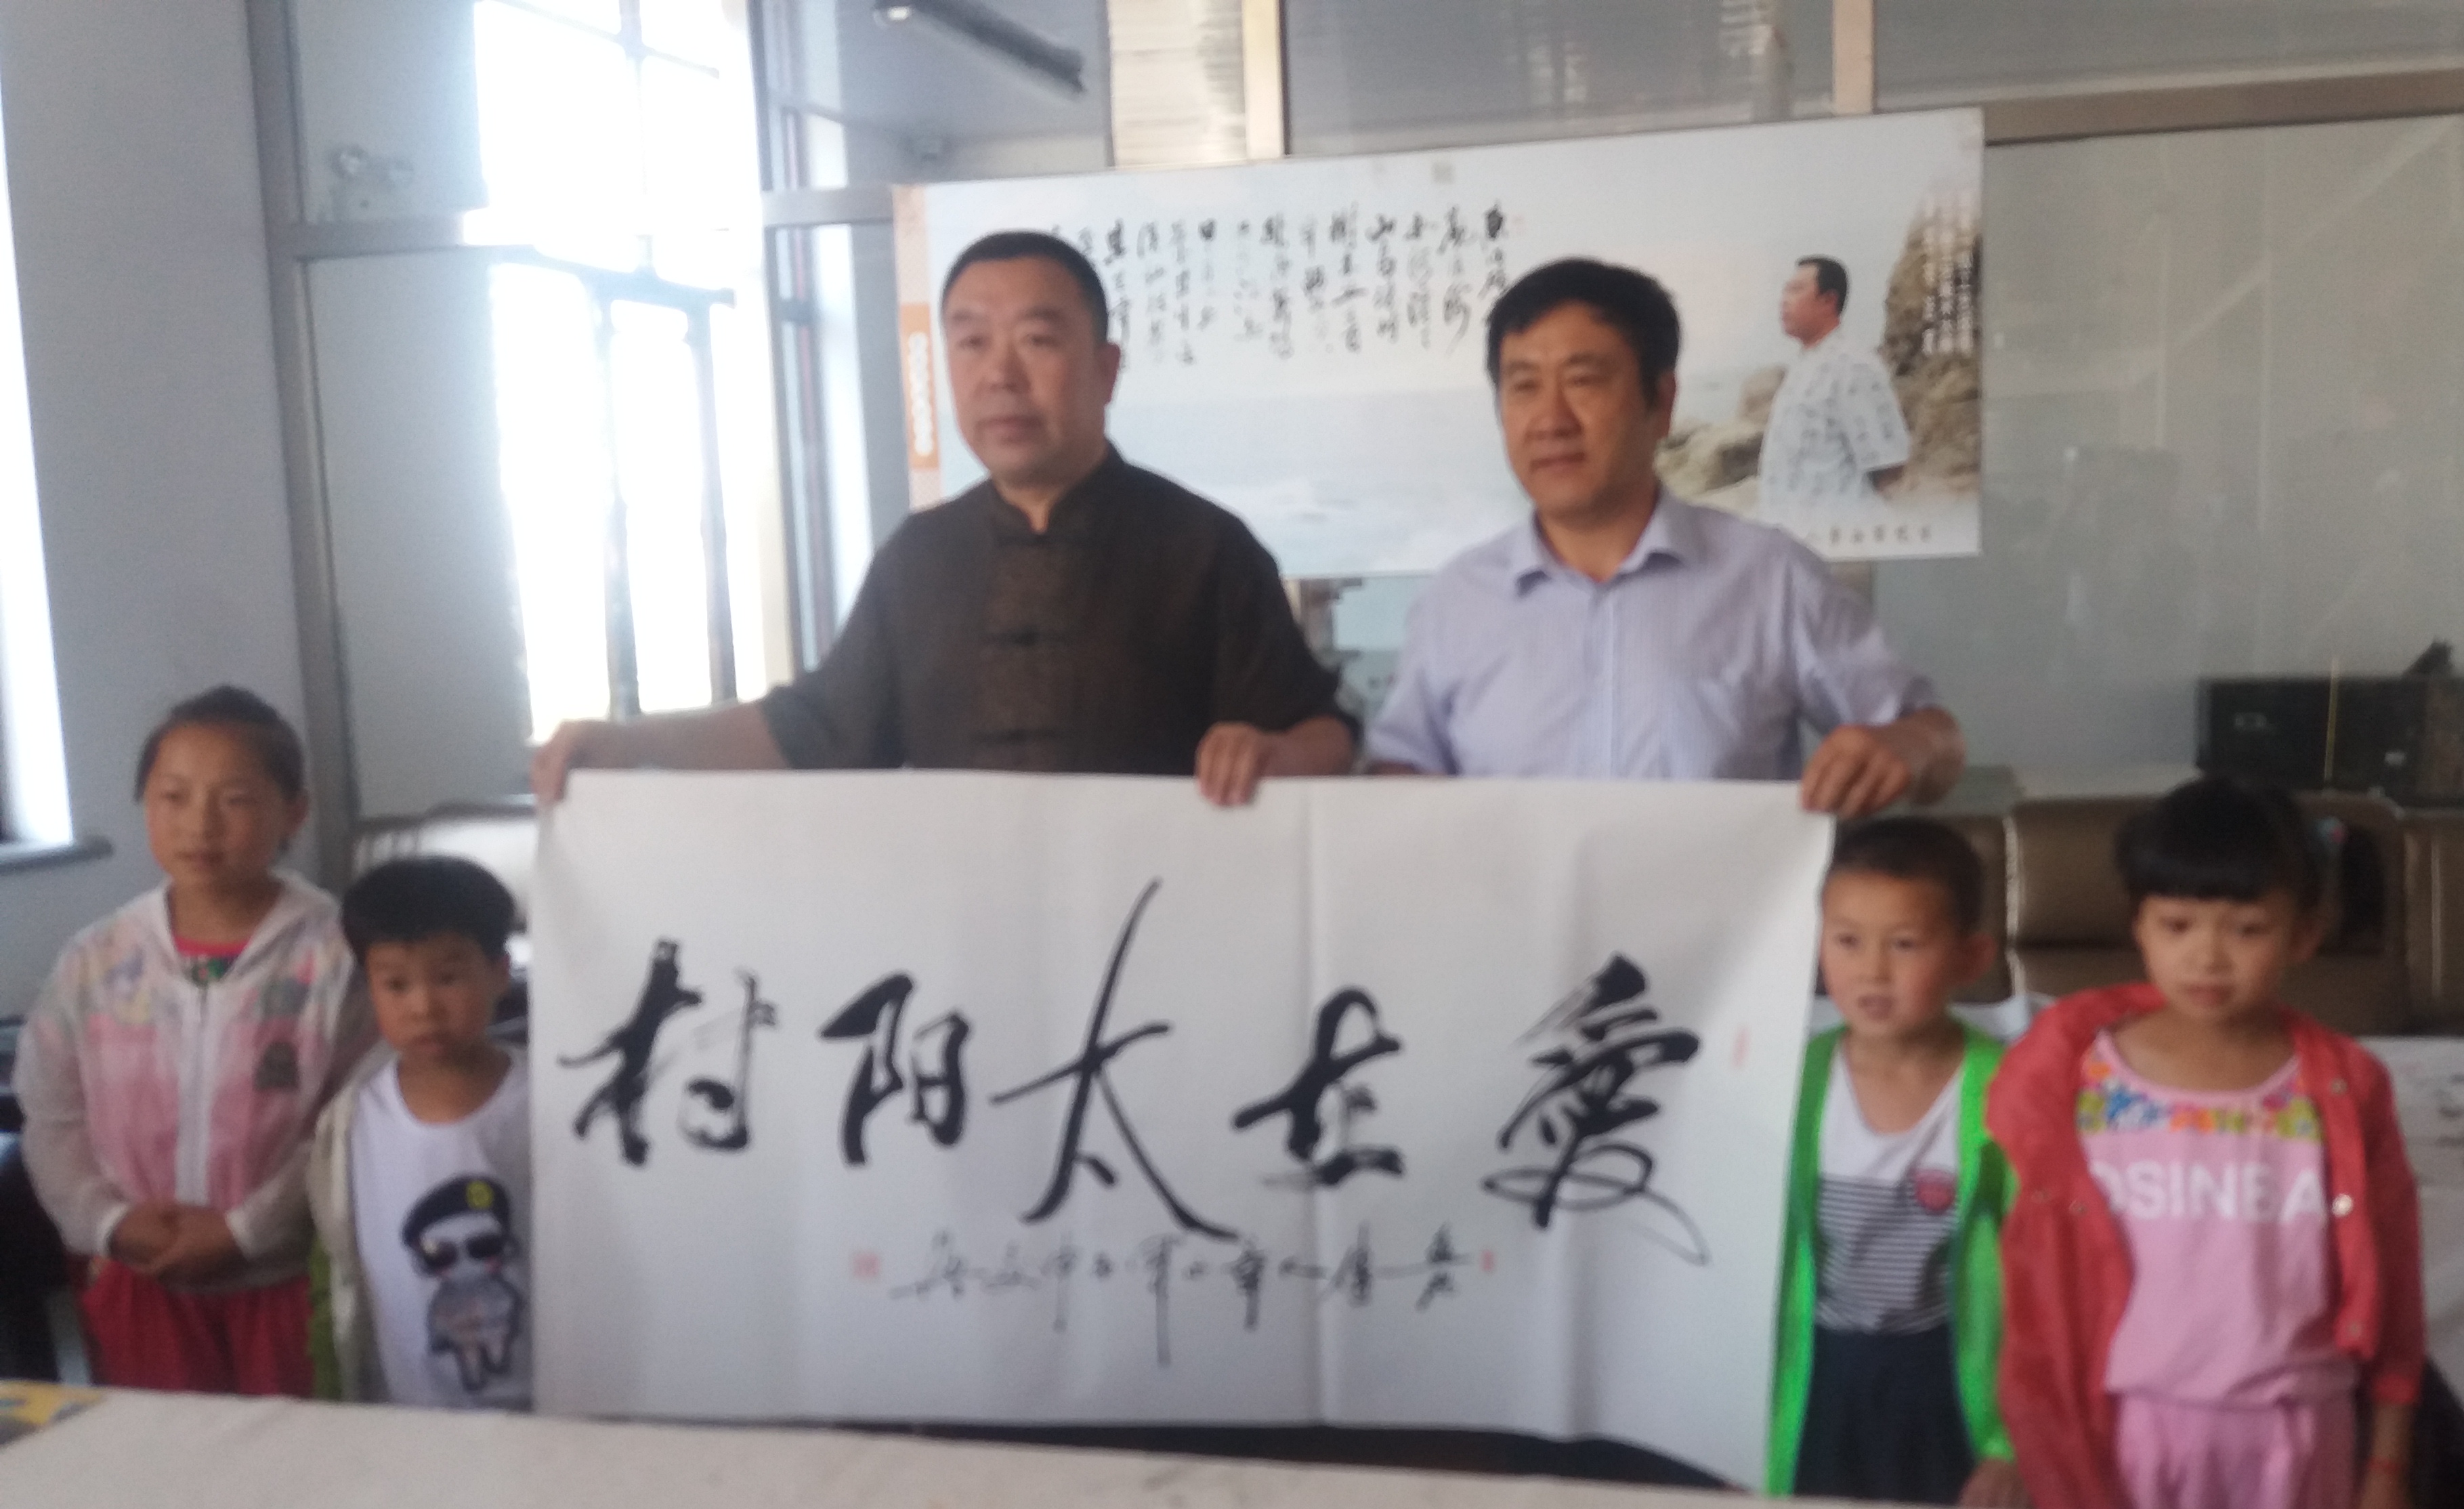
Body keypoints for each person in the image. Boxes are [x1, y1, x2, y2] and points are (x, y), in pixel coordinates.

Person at [531, 230, 1353, 808]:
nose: (1001, 376)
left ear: (1105, 370)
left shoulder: (1202, 547)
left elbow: (1328, 735)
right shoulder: (919, 559)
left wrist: (1276, 754)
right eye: (971, 344)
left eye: (1037, 340)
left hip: (1158, 933)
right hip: (964, 941)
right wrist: (634, 745)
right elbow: (810, 731)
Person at [1365, 258, 1962, 815]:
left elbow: (1935, 739)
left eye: (1583, 381)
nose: (1550, 421)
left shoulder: (1769, 579)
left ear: (1662, 401)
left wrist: (1907, 747)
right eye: (1523, 386)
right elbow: (1400, 777)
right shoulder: (1457, 603)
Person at [1987, 777, 2423, 1509]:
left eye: (2247, 929)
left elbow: (2398, 1291)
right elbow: (2021, 1275)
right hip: (2123, 1432)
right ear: (2139, 926)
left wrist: (2385, 1470)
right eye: (2178, 924)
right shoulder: (2072, 1079)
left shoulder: (2346, 1090)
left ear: (2304, 934)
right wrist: (2014, 1442)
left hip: (2296, 1435)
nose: (2208, 957)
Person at [16, 687, 366, 1395]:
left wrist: (244, 1231)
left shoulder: (336, 957)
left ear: (293, 811)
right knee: (162, 1453)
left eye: (234, 800)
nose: (200, 825)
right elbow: (52, 1116)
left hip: (289, 1283)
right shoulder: (98, 960)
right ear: (146, 804)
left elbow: (352, 1121)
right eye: (173, 797)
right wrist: (110, 1221)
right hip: (140, 1279)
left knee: (296, 1453)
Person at [1768, 817, 2024, 1509]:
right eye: (1847, 941)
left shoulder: (2007, 1090)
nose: (1872, 971)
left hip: (1946, 1377)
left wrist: (2011, 1443)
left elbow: (2044, 1275)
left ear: (1971, 957)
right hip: (1820, 1371)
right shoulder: (1790, 1081)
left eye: (1905, 944)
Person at [307, 857, 531, 1408]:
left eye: (449, 978)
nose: (424, 1007)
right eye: (396, 984)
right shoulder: (353, 1120)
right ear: (370, 988)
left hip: (548, 1404)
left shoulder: (546, 1101)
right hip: (411, 1413)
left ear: (499, 973)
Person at [1760, 255, 1914, 547]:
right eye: (1785, 290)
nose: (1783, 301)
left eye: (1796, 290)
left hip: (1839, 545)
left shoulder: (1853, 365)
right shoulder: (1805, 363)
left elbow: (1890, 465)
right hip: (1797, 544)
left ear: (1828, 301)